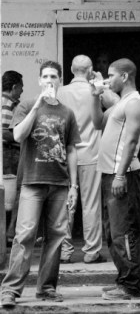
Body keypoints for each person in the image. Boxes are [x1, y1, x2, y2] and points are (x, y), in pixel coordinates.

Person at [0, 61, 81, 308]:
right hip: (32, 182)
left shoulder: (67, 112)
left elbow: (70, 149)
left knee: (56, 237)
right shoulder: (25, 105)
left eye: (53, 76)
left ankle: (46, 288)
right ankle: (10, 290)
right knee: (24, 235)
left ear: (59, 80)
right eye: (45, 76)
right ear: (39, 80)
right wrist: (37, 105)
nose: (49, 80)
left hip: (59, 183)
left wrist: (74, 186)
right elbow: (17, 135)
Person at [90, 58, 140, 300]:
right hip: (109, 174)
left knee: (124, 232)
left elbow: (132, 142)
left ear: (124, 76)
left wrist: (121, 175)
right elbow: (96, 122)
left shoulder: (135, 103)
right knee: (112, 233)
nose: (107, 79)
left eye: (111, 75)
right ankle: (123, 280)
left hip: (123, 175)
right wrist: (95, 95)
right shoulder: (119, 104)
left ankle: (131, 286)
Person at [57, 55, 115, 263]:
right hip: (92, 153)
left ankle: (64, 251)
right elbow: (115, 104)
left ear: (71, 69)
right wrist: (101, 84)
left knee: (66, 203)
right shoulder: (95, 90)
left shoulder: (60, 91)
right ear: (90, 70)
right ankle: (91, 252)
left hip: (65, 154)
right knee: (91, 204)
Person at [2, 71, 23, 246]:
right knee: (12, 194)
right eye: (21, 87)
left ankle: (8, 233)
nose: (22, 91)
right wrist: (22, 136)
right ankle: (8, 234)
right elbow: (3, 132)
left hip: (9, 152)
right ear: (15, 87)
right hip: (9, 152)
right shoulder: (7, 103)